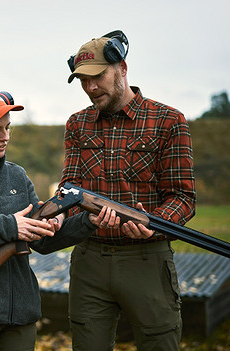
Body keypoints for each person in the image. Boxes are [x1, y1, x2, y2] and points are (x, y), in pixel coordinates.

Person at [0, 88, 117, 351]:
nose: (5, 137)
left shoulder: (17, 175)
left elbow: (43, 242)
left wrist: (88, 221)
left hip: (22, 316)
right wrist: (10, 226)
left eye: (8, 128)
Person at [61, 30, 196, 350]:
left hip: (147, 260)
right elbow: (68, 190)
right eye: (82, 80)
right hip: (89, 260)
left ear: (122, 67)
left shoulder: (168, 120)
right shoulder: (76, 124)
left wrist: (152, 223)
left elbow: (183, 197)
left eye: (97, 77)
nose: (90, 87)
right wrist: (81, 217)